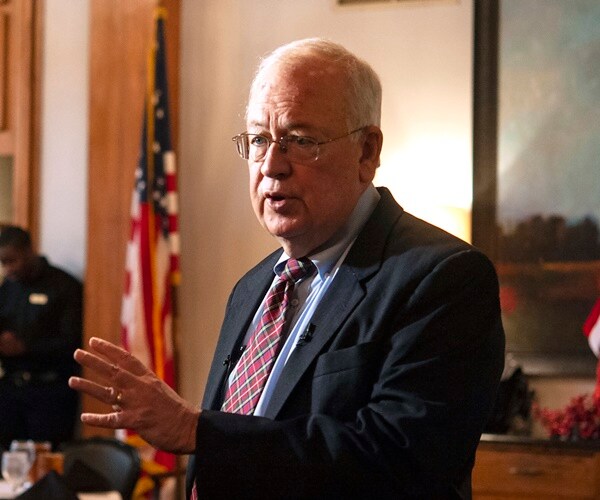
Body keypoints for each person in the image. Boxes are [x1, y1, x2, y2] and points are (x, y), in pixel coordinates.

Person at [69, 38, 505, 498]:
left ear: (366, 152)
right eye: (258, 140)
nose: (272, 166)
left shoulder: (443, 278)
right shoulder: (253, 287)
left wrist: (197, 430)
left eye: (300, 141)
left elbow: (401, 460)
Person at [0, 225, 83, 450]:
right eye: (3, 263)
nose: (8, 269)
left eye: (12, 260)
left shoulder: (64, 286)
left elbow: (72, 342)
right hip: (11, 389)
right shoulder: (8, 288)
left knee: (45, 465)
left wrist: (25, 347)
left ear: (28, 250)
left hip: (50, 392)